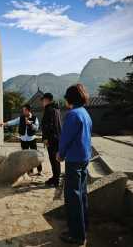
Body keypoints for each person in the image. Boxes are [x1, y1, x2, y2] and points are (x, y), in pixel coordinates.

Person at [57, 84, 92, 245]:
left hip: (73, 160)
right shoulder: (85, 113)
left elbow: (66, 138)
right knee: (82, 194)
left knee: (73, 197)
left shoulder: (72, 115)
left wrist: (60, 153)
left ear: (69, 98)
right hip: (84, 158)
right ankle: (83, 228)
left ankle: (77, 235)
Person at [0, 104, 42, 175]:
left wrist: (30, 124)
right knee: (25, 156)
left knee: (35, 155)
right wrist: (4, 124)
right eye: (23, 110)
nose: (23, 112)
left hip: (31, 139)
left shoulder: (34, 118)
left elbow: (36, 128)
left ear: (28, 110)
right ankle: (30, 171)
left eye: (24, 110)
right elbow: (13, 122)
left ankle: (39, 170)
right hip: (23, 140)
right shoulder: (21, 118)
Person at [41, 93, 62, 187]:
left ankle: (56, 180)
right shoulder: (57, 109)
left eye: (43, 100)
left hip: (51, 139)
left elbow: (47, 125)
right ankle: (56, 177)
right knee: (56, 159)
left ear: (47, 100)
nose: (42, 102)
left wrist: (45, 138)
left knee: (53, 159)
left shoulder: (48, 110)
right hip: (58, 138)